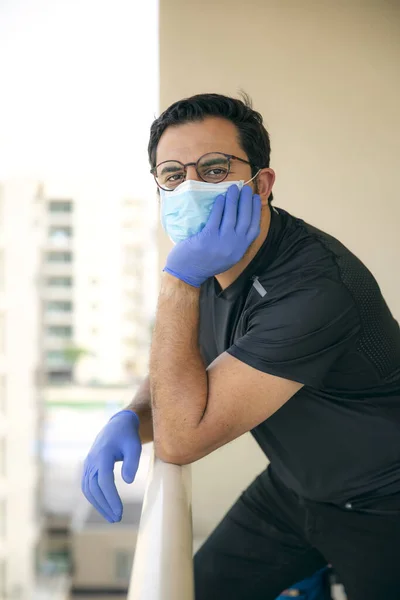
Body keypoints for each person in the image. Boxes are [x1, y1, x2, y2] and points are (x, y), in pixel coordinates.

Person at [81, 93, 400, 600]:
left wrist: (177, 281)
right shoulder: (210, 258)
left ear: (262, 184)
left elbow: (183, 439)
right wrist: (132, 415)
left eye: (213, 169)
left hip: (383, 504)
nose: (189, 187)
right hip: (294, 488)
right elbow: (186, 366)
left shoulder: (315, 287)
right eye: (172, 174)